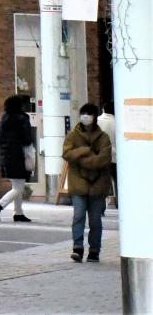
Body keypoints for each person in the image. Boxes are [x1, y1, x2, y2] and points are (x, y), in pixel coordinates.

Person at [61, 103, 113, 262]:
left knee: (95, 219)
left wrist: (83, 160)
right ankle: (77, 248)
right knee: (78, 216)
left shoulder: (103, 137)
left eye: (88, 114)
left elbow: (104, 158)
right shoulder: (72, 135)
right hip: (78, 183)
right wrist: (85, 151)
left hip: (98, 184)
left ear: (94, 117)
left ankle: (94, 250)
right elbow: (66, 153)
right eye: (83, 114)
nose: (85, 117)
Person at [0, 94, 36, 223]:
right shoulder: (22, 118)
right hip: (18, 155)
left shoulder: (2, 118)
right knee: (18, 188)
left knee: (17, 185)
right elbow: (26, 138)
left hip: (5, 155)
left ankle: (18, 213)